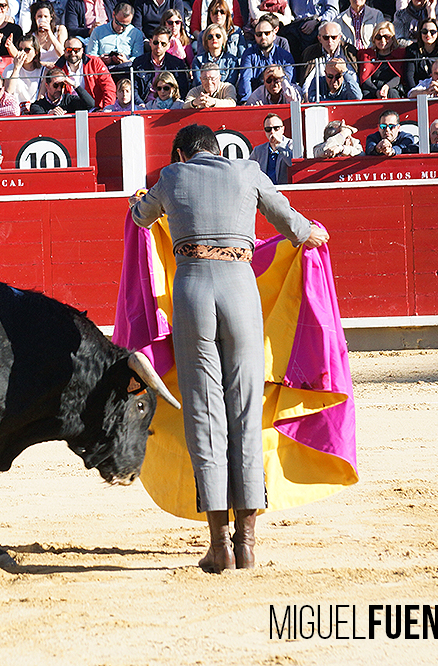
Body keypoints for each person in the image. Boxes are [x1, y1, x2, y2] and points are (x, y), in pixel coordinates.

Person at [129, 123, 328, 574]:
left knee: (204, 411)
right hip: (240, 290)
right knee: (244, 410)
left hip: (193, 290)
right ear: (220, 152)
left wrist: (140, 203)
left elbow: (141, 217)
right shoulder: (249, 170)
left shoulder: (174, 176)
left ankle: (219, 544)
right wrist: (308, 235)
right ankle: (248, 543)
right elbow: (288, 219)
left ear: (183, 153)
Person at [237, 13, 295, 101]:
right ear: (255, 36)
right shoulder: (248, 54)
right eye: (259, 34)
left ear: (274, 34)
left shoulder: (285, 55)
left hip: (282, 99)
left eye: (266, 33)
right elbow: (245, 79)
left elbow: (290, 80)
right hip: (257, 100)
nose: (263, 37)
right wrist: (247, 102)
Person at [52, 37, 116, 110]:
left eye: (76, 50)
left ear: (82, 51)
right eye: (69, 50)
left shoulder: (95, 62)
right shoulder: (57, 69)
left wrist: (106, 108)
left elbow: (108, 87)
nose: (73, 53)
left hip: (94, 108)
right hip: (68, 110)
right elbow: (52, 94)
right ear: (64, 51)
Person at [130, 27, 188, 104]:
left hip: (170, 106)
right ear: (150, 42)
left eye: (163, 44)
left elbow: (183, 89)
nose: (159, 46)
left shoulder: (177, 64)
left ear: (168, 45)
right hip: (144, 106)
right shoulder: (139, 62)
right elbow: (134, 89)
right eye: (156, 42)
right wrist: (140, 104)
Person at [86, 3, 144, 74]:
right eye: (118, 23)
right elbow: (90, 55)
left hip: (126, 70)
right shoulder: (98, 31)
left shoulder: (136, 33)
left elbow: (139, 57)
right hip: (103, 69)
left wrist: (127, 61)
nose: (120, 28)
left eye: (125, 25)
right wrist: (100, 59)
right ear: (113, 14)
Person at [298, 21, 358, 88]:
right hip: (321, 94)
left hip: (345, 93)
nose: (330, 41)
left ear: (339, 37)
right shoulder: (310, 53)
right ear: (319, 39)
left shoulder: (349, 51)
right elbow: (306, 84)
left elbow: (354, 81)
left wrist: (344, 71)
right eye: (326, 37)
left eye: (333, 37)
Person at [356, 21, 405, 98]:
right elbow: (365, 80)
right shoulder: (367, 55)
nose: (382, 40)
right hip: (373, 88)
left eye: (387, 37)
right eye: (378, 37)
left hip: (391, 87)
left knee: (393, 93)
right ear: (374, 39)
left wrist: (387, 87)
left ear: (392, 39)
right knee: (366, 94)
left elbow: (398, 77)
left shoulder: (399, 54)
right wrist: (377, 92)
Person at [403, 17, 438, 92]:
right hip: (419, 91)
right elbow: (409, 76)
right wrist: (415, 92)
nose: (428, 35)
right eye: (424, 31)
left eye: (432, 32)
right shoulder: (412, 50)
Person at [28, 65, 96, 113]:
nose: (59, 89)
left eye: (62, 85)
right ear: (47, 86)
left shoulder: (70, 100)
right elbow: (37, 114)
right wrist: (50, 114)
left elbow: (90, 104)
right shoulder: (38, 105)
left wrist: (74, 85)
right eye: (56, 85)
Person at [248, 112, 292, 185]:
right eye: (268, 129)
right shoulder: (258, 150)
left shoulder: (292, 145)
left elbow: (291, 163)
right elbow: (248, 170)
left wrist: (279, 145)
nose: (272, 132)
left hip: (286, 190)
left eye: (276, 128)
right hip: (265, 191)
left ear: (283, 129)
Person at [190, 23, 239, 88]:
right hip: (202, 93)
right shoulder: (198, 60)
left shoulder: (232, 60)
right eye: (210, 37)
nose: (214, 38)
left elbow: (230, 84)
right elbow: (198, 83)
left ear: (223, 39)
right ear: (206, 41)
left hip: (225, 94)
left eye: (218, 36)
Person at [4, 34, 42, 110]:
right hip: (14, 109)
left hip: (34, 109)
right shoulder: (10, 69)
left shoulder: (43, 71)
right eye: (20, 49)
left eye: (27, 50)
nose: (23, 53)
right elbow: (9, 92)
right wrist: (16, 68)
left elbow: (41, 97)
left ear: (36, 51)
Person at [27, 1, 67, 67]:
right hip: (40, 69)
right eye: (39, 16)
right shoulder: (31, 36)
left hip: (58, 68)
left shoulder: (60, 30)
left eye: (46, 16)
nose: (43, 19)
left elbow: (62, 54)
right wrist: (46, 64)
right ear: (35, 18)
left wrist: (49, 33)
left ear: (51, 17)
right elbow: (30, 61)